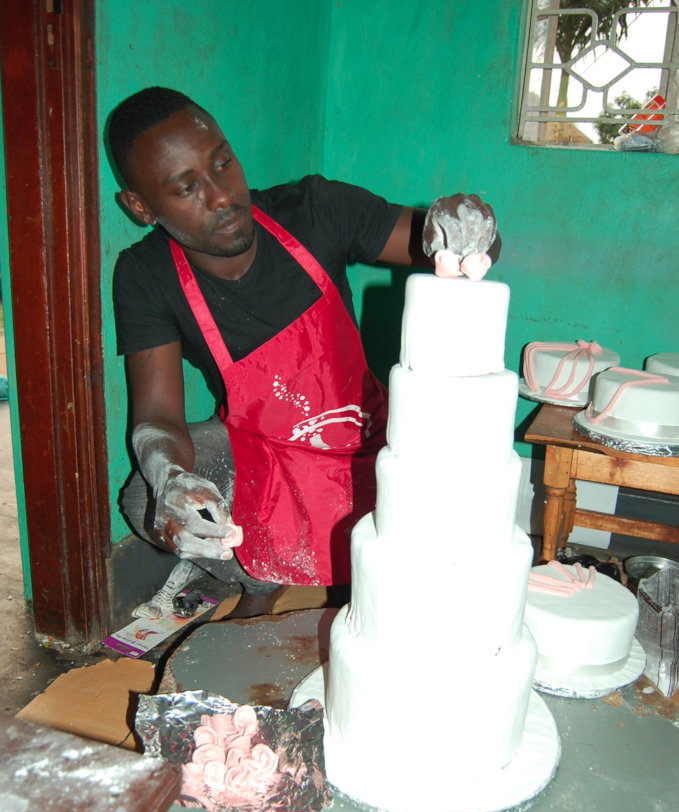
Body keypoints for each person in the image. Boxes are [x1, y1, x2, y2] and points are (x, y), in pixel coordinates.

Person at [108, 87, 500, 617]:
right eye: (186, 189)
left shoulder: (316, 211)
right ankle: (258, 576)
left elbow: (446, 241)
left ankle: (355, 577)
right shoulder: (146, 275)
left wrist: (467, 228)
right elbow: (156, 416)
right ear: (140, 207)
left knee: (412, 584)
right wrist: (172, 478)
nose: (222, 196)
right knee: (146, 495)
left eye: (224, 163)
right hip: (267, 457)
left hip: (370, 446)